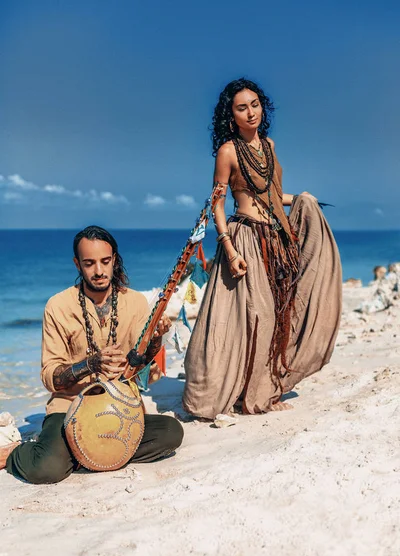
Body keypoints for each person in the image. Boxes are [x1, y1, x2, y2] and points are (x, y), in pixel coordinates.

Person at [182, 78, 342, 419]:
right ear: (232, 115)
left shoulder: (269, 145)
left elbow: (272, 195)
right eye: (242, 107)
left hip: (275, 239)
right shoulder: (228, 151)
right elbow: (217, 203)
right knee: (258, 317)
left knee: (280, 316)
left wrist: (302, 200)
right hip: (245, 240)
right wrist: (228, 248)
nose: (250, 112)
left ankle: (261, 391)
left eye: (255, 104)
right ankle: (252, 396)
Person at [1, 225, 183, 483]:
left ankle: (79, 454)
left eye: (105, 261)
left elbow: (143, 372)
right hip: (69, 408)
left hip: (118, 407)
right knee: (46, 470)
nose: (99, 271)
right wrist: (90, 364)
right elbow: (50, 378)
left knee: (171, 432)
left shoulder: (136, 303)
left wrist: (155, 341)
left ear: (114, 261)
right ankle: (15, 454)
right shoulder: (58, 306)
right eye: (89, 263)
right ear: (78, 265)